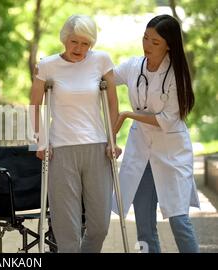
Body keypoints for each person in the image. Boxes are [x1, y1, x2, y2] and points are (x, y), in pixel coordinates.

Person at [29, 14, 120, 253]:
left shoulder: (101, 60)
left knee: (99, 225)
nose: (79, 48)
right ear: (64, 40)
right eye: (74, 42)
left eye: (85, 43)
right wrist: (39, 142)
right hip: (61, 150)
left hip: (97, 148)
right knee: (66, 230)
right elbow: (35, 105)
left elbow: (112, 104)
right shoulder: (47, 65)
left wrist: (113, 140)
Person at [113, 14, 200, 253]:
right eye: (145, 38)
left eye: (155, 42)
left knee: (179, 220)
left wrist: (127, 115)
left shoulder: (176, 75)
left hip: (172, 155)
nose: (147, 45)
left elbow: (165, 120)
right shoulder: (133, 66)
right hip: (141, 154)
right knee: (144, 226)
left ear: (169, 45)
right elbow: (105, 77)